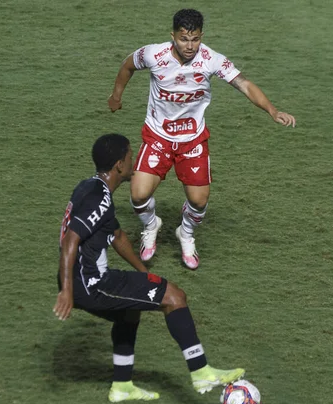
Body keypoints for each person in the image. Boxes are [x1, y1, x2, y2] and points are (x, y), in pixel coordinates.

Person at [54, 133, 245, 402]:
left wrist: (142, 272)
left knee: (129, 311)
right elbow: (70, 241)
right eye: (131, 155)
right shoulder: (99, 198)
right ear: (120, 165)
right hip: (89, 284)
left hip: (86, 280)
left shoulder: (91, 188)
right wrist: (67, 291)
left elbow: (118, 237)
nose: (134, 160)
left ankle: (122, 387)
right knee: (174, 297)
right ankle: (201, 370)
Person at [108, 9, 296, 270]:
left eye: (195, 39)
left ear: (201, 36)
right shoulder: (153, 54)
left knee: (198, 201)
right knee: (138, 196)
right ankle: (151, 226)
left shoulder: (211, 60)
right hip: (158, 136)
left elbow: (244, 84)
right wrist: (117, 96)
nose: (190, 45)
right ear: (172, 36)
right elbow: (128, 65)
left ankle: (185, 233)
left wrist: (273, 110)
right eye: (184, 39)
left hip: (192, 141)